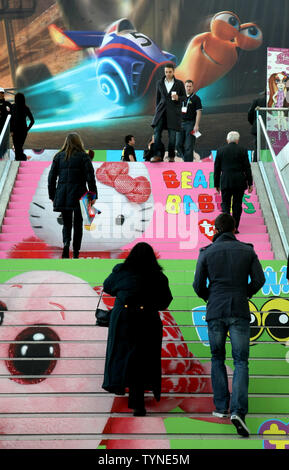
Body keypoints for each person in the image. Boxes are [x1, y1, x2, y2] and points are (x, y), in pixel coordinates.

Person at [193, 213, 265, 437]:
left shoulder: (206, 252)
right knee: (241, 361)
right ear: (234, 229)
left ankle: (221, 406)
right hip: (239, 310)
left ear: (215, 229)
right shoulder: (248, 250)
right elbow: (260, 280)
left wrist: (210, 297)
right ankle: (238, 411)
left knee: (217, 358)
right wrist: (245, 294)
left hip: (215, 310)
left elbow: (197, 285)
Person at [102, 242, 173, 416]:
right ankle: (138, 402)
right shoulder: (158, 276)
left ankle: (120, 387)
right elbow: (165, 301)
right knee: (142, 359)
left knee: (122, 355)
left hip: (123, 319)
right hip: (147, 319)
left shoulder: (121, 271)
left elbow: (107, 287)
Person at [48, 132, 97, 259]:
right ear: (79, 142)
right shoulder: (84, 157)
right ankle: (75, 252)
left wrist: (52, 196)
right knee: (78, 224)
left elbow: (51, 178)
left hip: (63, 194)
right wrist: (93, 195)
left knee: (67, 223)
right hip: (80, 194)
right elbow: (90, 177)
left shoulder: (58, 156)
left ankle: (66, 244)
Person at [214, 131, 253, 234]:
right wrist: (250, 183)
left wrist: (216, 184)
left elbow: (217, 169)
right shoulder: (243, 150)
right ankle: (235, 227)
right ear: (237, 140)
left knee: (225, 204)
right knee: (237, 204)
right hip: (239, 181)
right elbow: (247, 168)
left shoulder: (220, 150)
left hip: (226, 180)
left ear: (227, 140)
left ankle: (225, 227)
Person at [151, 64, 186, 162]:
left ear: (173, 71)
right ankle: (157, 155)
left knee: (172, 137)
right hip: (161, 112)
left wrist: (178, 98)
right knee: (156, 133)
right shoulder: (159, 83)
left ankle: (171, 156)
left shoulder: (179, 83)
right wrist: (157, 111)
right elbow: (158, 99)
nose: (168, 74)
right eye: (166, 72)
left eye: (170, 72)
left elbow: (185, 97)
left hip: (173, 113)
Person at [176, 79, 202, 162]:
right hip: (180, 124)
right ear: (184, 87)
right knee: (178, 145)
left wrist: (196, 125)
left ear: (193, 87)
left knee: (189, 146)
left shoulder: (196, 98)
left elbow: (198, 112)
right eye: (187, 86)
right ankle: (187, 160)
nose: (188, 88)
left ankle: (188, 164)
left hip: (190, 124)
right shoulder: (181, 98)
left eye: (190, 86)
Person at [10, 92, 34, 161]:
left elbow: (11, 120)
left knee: (18, 148)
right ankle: (22, 158)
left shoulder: (13, 107)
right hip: (23, 131)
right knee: (18, 148)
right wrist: (27, 129)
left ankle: (20, 160)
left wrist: (11, 130)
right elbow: (32, 121)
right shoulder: (26, 108)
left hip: (15, 131)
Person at [247, 91, 266, 162]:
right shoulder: (276, 103)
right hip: (272, 128)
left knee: (257, 146)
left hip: (258, 127)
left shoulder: (257, 101)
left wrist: (255, 123)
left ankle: (256, 162)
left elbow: (250, 114)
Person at [0, 87, 12, 159]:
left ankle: (3, 156)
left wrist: (12, 129)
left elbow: (12, 117)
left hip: (5, 128)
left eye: (2, 93)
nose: (1, 95)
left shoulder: (7, 104)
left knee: (5, 143)